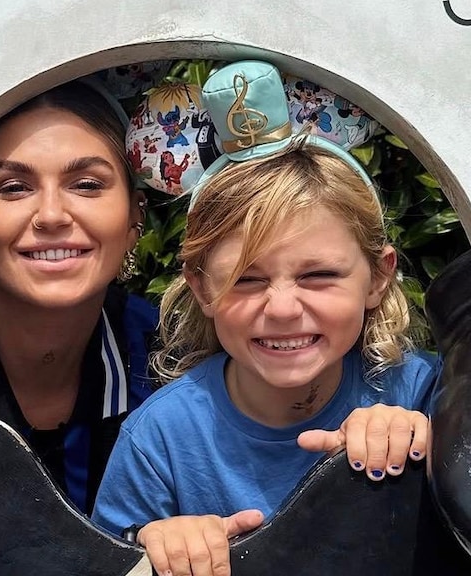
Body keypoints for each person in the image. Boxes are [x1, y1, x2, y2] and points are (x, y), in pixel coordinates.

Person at [92, 61, 437, 576]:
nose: (282, 308)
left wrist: (437, 448)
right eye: (246, 280)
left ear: (378, 276)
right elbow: (107, 559)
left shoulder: (428, 394)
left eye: (318, 275)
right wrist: (155, 549)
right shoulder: (159, 440)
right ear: (202, 287)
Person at [0, 79, 158, 515]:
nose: (51, 216)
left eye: (87, 184)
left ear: (134, 218)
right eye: (14, 187)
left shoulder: (167, 359)